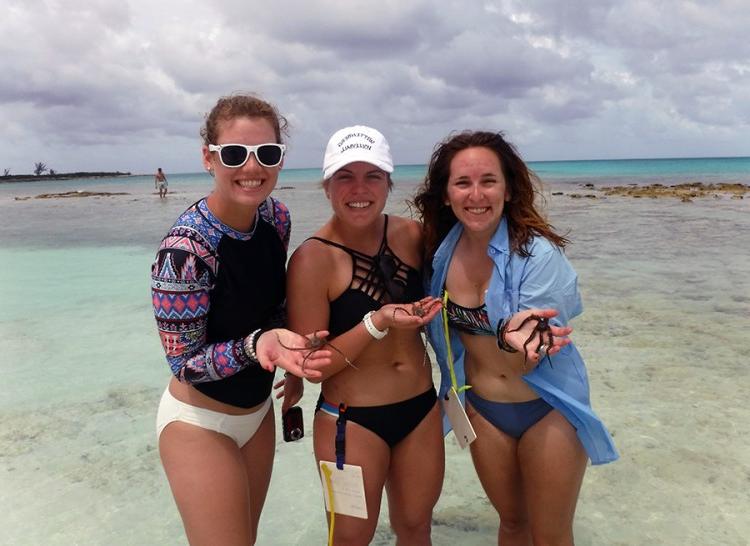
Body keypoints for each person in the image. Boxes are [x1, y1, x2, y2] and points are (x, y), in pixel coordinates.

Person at [414, 130, 618, 545]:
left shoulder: (538, 254)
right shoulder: (437, 254)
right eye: (463, 183)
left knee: (550, 534)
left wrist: (518, 336)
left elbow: (536, 338)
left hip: (547, 408)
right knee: (511, 524)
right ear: (446, 194)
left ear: (507, 190)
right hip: (482, 409)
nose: (476, 194)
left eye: (488, 181)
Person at [151, 94, 332, 546]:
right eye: (235, 154)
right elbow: (185, 363)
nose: (252, 167)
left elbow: (267, 303)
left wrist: (290, 358)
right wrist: (259, 346)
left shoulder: (276, 217)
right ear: (208, 157)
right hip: (199, 422)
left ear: (280, 159)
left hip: (257, 414)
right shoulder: (184, 252)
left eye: (266, 154)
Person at [287, 125, 444, 545]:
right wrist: (377, 322)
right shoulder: (311, 259)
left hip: (421, 411)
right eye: (345, 176)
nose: (360, 188)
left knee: (415, 528)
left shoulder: (411, 235)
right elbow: (311, 367)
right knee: (350, 538)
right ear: (327, 186)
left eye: (372, 176)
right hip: (350, 422)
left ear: (389, 183)